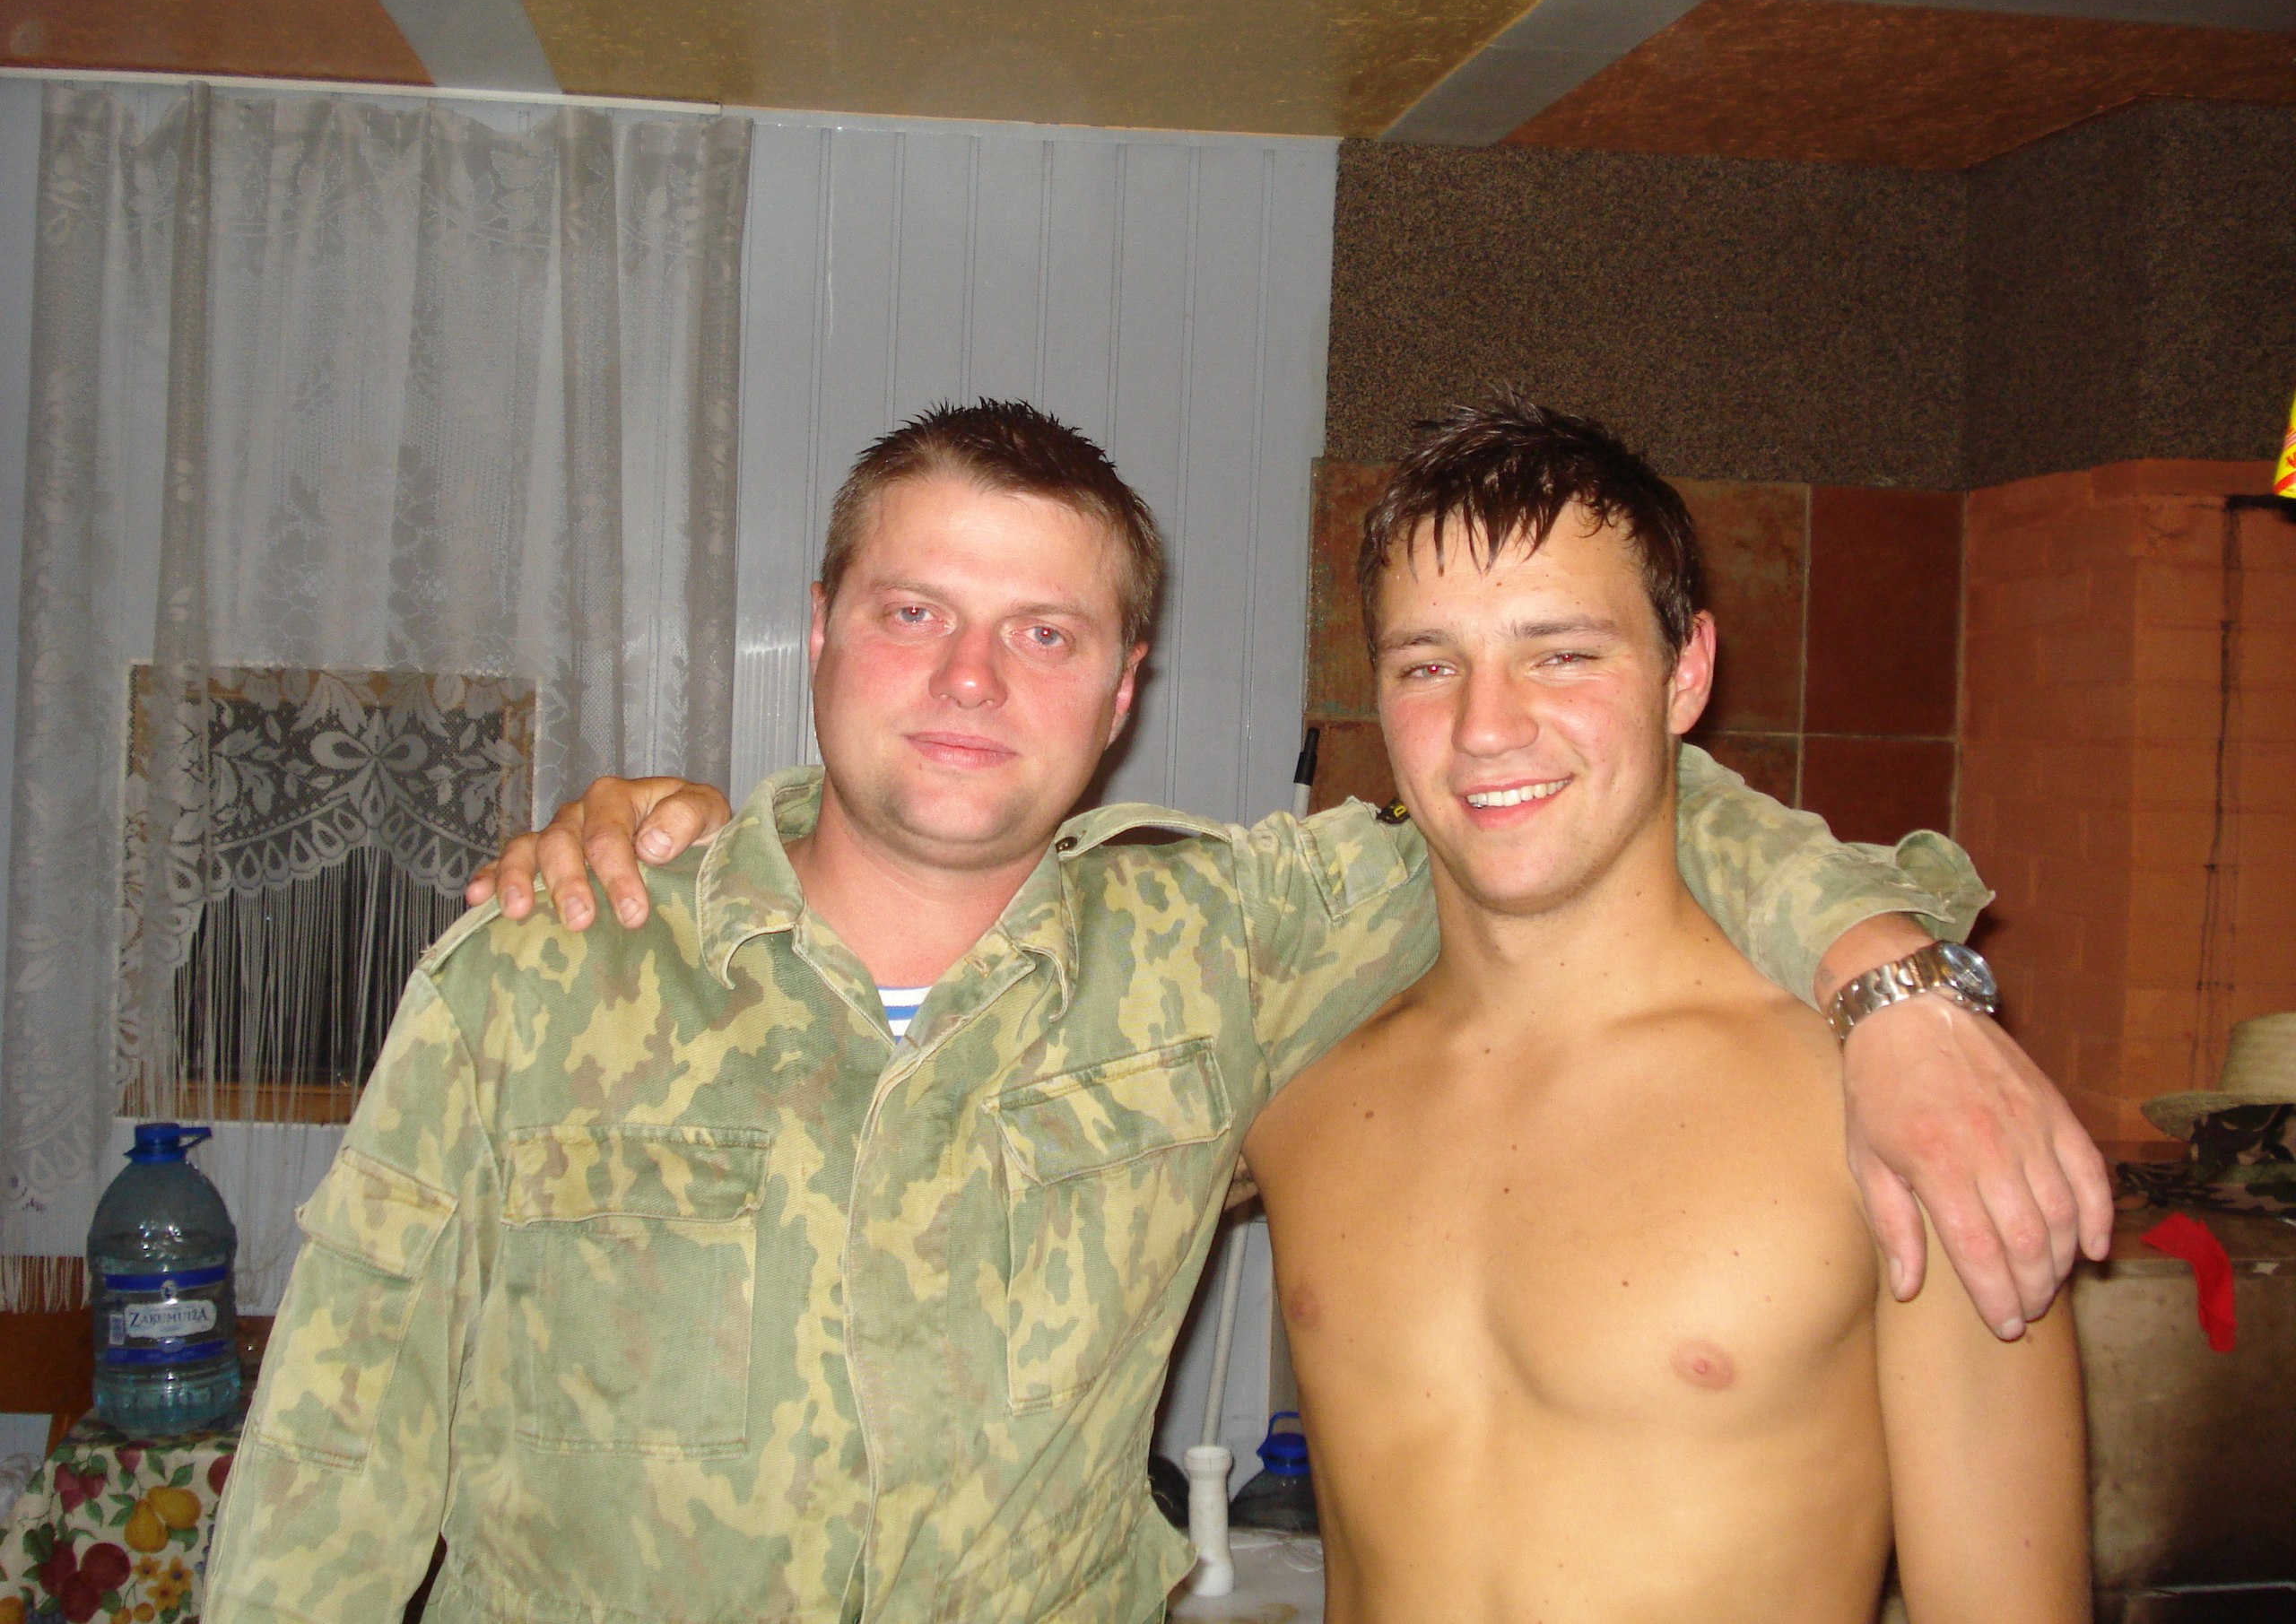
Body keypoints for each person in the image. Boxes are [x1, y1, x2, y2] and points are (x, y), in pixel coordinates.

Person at [206, 401, 2106, 1624]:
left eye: (1044, 632)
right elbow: (324, 1489)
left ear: (1123, 690)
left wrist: (1893, 981)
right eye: (914, 613)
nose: (971, 680)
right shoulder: (553, 966)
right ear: (821, 629)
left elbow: (1573, 811)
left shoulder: (1221, 956)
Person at [1242, 399, 2087, 1623]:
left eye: (1563, 654)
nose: (1486, 728)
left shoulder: (1901, 1108)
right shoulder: (1300, 1088)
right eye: (1429, 665)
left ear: (1685, 672)